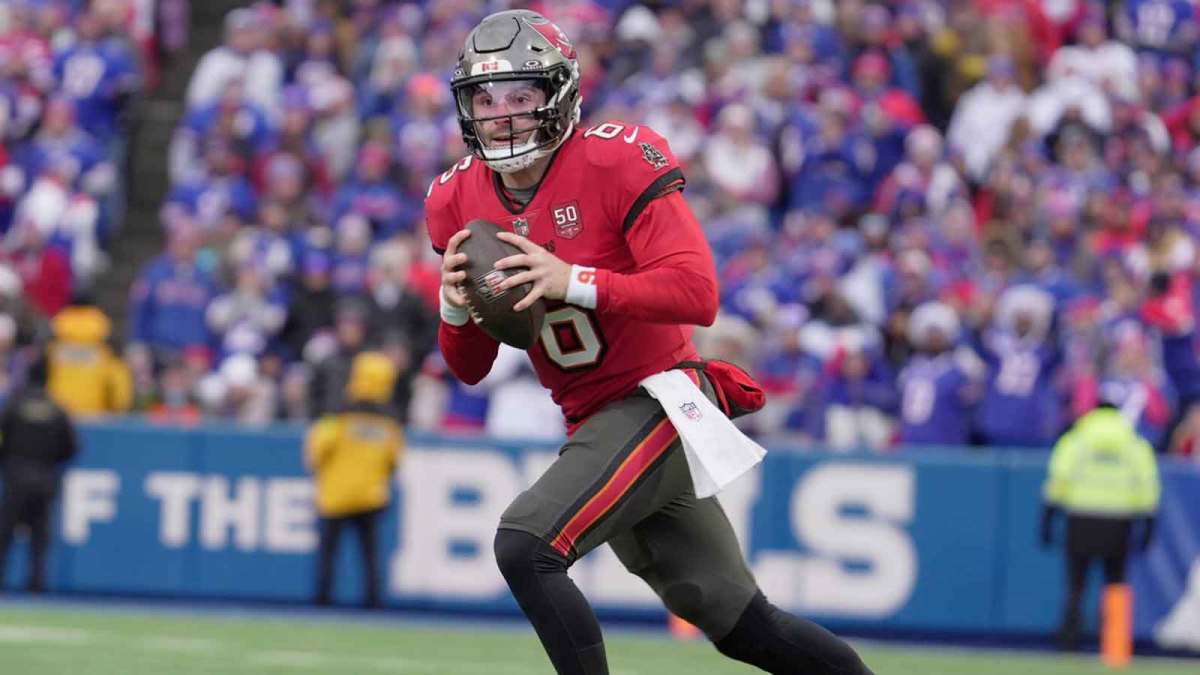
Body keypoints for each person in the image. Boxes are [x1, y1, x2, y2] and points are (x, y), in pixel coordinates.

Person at [426, 10, 872, 675]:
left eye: (522, 96)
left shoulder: (614, 157)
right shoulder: (456, 196)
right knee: (745, 624)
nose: (503, 116)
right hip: (593, 419)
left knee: (526, 543)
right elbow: (470, 367)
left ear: (559, 95)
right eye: (486, 100)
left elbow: (697, 292)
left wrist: (572, 279)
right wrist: (455, 308)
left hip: (658, 399)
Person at [1041, 392, 1161, 651]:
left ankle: (1068, 641)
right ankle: (1115, 645)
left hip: (1081, 517)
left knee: (1076, 582)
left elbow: (1058, 479)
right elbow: (1147, 485)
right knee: (1116, 582)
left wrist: (1048, 519)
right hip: (1119, 520)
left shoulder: (1077, 439)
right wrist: (1148, 525)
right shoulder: (1134, 443)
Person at [304, 351, 402, 609]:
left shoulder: (338, 416)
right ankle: (373, 602)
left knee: (328, 553)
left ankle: (322, 601)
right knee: (369, 554)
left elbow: (317, 450)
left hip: (335, 494)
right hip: (371, 494)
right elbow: (394, 459)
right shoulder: (389, 423)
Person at [0, 357, 78, 592]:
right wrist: (50, 464)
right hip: (45, 478)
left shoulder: (14, 406)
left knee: (5, 532)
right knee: (40, 535)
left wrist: (8, 463)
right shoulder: (57, 409)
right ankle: (37, 585)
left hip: (16, 476)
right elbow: (71, 446)